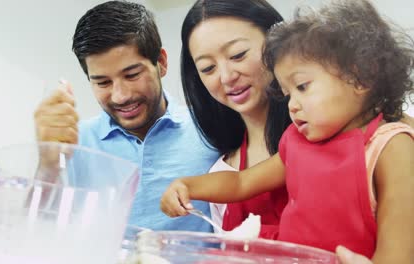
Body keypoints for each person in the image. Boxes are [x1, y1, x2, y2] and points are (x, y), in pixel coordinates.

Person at [161, 0, 414, 262]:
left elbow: (399, 250)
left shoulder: (391, 145)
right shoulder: (296, 141)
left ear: (361, 78)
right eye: (286, 93)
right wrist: (187, 185)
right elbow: (241, 182)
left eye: (302, 87)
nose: (292, 105)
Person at [33, 0, 219, 231]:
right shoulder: (74, 144)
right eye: (102, 82)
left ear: (161, 63)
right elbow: (34, 229)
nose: (120, 96)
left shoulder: (210, 127)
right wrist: (48, 162)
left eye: (132, 75)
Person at [179, 0, 291, 238]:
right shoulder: (220, 175)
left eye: (237, 55)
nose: (227, 77)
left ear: (276, 41)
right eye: (208, 68)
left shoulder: (323, 136)